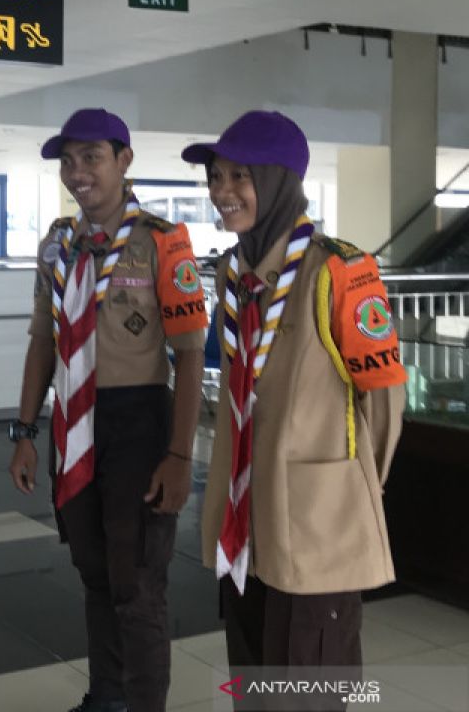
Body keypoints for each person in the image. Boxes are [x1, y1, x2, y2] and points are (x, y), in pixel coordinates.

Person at [184, 111, 406, 709]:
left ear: (280, 180)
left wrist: (350, 492)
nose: (221, 192)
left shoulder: (339, 271)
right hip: (244, 520)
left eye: (239, 176)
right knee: (254, 679)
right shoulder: (234, 272)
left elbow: (383, 401)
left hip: (315, 526)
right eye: (216, 177)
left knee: (313, 683)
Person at [8, 109, 208, 712]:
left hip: (138, 422)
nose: (77, 172)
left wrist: (179, 455)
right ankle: (108, 697)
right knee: (95, 572)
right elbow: (42, 339)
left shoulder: (161, 241)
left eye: (91, 157)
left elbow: (192, 353)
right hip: (74, 420)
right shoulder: (57, 244)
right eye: (68, 161)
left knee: (137, 586)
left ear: (124, 160)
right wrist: (24, 430)